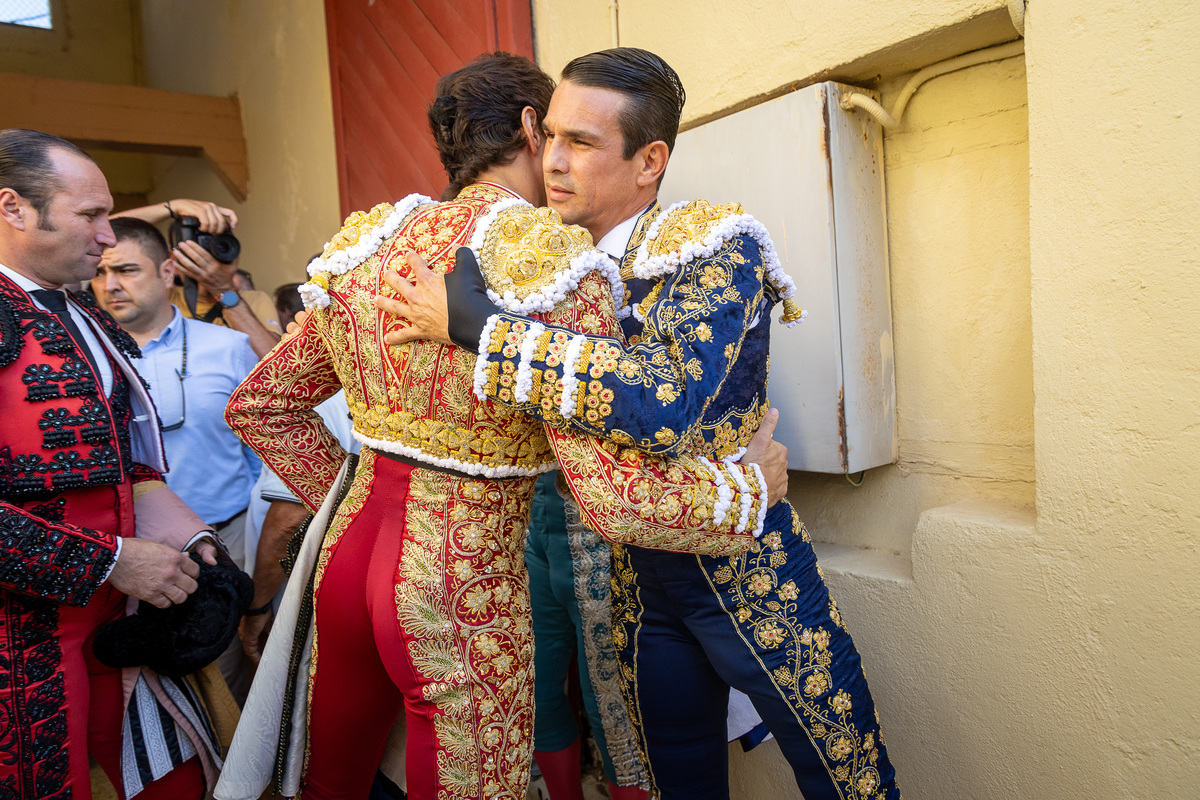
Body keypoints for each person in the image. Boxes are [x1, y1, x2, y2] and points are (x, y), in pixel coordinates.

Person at [218, 52, 781, 800]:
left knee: (331, 782)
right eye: (555, 133)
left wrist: (362, 499)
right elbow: (612, 498)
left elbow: (262, 406)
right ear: (529, 128)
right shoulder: (555, 266)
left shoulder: (372, 245)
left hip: (348, 553)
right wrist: (745, 492)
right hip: (459, 574)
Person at [381, 48, 902, 800]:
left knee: (846, 775)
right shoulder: (543, 268)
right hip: (626, 577)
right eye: (549, 137)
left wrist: (484, 332)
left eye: (582, 144)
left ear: (650, 159)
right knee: (672, 782)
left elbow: (666, 399)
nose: (552, 163)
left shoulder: (713, 245)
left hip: (744, 564)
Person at [0, 128, 221, 799]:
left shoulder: (83, 317)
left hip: (124, 616)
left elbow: (124, 467)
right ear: (12, 209)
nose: (107, 238)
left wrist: (199, 548)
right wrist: (109, 560)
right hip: (18, 640)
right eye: (90, 216)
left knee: (175, 780)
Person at [92, 217, 262, 701]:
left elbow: (265, 446)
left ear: (168, 272)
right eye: (101, 273)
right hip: (129, 554)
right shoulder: (87, 355)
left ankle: (235, 776)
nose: (110, 286)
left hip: (228, 538)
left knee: (231, 680)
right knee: (148, 693)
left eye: (127, 270)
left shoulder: (229, 347)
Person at [111, 199, 282, 358]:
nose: (210, 255)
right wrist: (172, 206)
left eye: (219, 245)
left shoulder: (255, 299)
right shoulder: (162, 298)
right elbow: (101, 234)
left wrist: (224, 290)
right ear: (174, 260)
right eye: (199, 247)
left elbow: (277, 363)